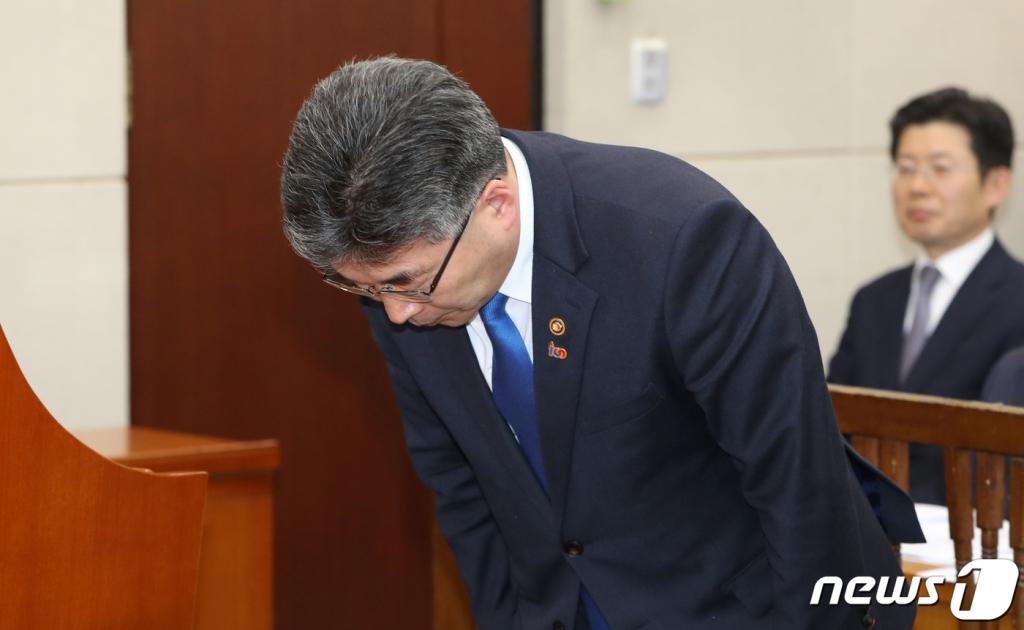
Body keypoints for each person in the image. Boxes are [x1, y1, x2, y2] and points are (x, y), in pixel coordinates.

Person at [281, 57, 921, 630]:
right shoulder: (405, 280)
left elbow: (796, 482)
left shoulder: (681, 239)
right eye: (363, 288)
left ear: (496, 205)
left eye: (405, 284)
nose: (395, 313)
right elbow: (462, 486)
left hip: (742, 604)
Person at [829, 87, 1024, 505]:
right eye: (905, 168)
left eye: (940, 169)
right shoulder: (873, 300)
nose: (917, 186)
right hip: (864, 526)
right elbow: (831, 423)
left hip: (974, 529)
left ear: (996, 184)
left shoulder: (1017, 298)